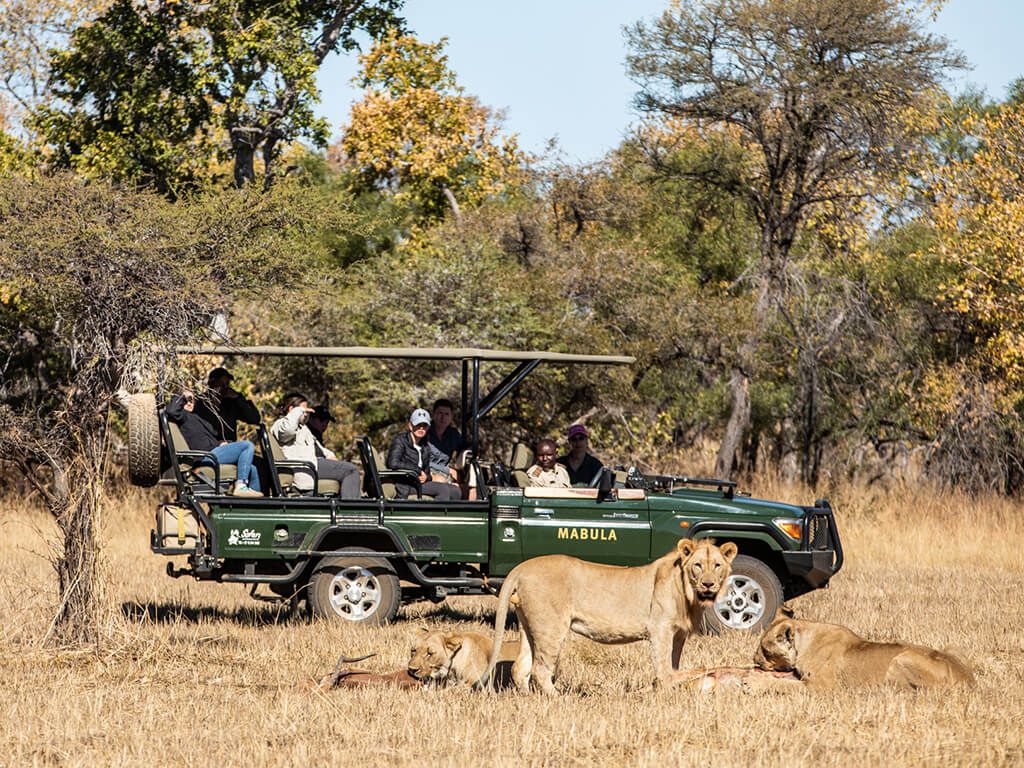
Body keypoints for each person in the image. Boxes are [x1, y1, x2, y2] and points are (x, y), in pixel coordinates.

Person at [166, 390, 262, 497]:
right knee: (247, 446)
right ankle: (241, 486)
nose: (189, 403)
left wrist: (220, 444)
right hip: (204, 457)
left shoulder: (196, 417)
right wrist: (182, 395)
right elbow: (171, 410)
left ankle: (254, 506)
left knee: (252, 468)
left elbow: (206, 438)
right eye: (185, 401)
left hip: (212, 452)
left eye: (192, 400)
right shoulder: (182, 417)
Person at [271, 394, 361, 499]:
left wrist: (329, 455)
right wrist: (296, 411)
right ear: (291, 409)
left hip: (311, 465)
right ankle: (350, 511)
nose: (306, 414)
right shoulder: (281, 424)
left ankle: (347, 505)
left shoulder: (302, 428)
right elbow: (288, 431)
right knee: (351, 470)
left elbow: (316, 445)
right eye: (303, 410)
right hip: (303, 468)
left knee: (349, 469)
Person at [387, 408, 460, 501]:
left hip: (420, 483)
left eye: (424, 425)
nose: (421, 428)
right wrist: (416, 470)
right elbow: (393, 463)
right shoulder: (400, 441)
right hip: (405, 484)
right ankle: (436, 514)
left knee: (455, 491)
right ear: (410, 426)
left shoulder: (425, 446)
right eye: (418, 425)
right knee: (443, 489)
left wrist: (427, 477)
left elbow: (427, 472)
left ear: (428, 428)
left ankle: (452, 514)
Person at [193, 367, 261, 442]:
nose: (225, 388)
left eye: (227, 384)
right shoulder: (200, 402)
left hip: (229, 446)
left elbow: (254, 419)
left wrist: (239, 398)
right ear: (212, 384)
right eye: (221, 384)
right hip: (207, 446)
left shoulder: (231, 403)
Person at [426, 398, 475, 500]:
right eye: (440, 413)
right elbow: (420, 460)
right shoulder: (425, 433)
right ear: (434, 415)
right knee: (455, 489)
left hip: (445, 474)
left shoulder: (453, 434)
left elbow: (465, 448)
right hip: (427, 473)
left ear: (451, 417)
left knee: (469, 489)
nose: (443, 417)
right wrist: (448, 470)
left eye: (447, 414)